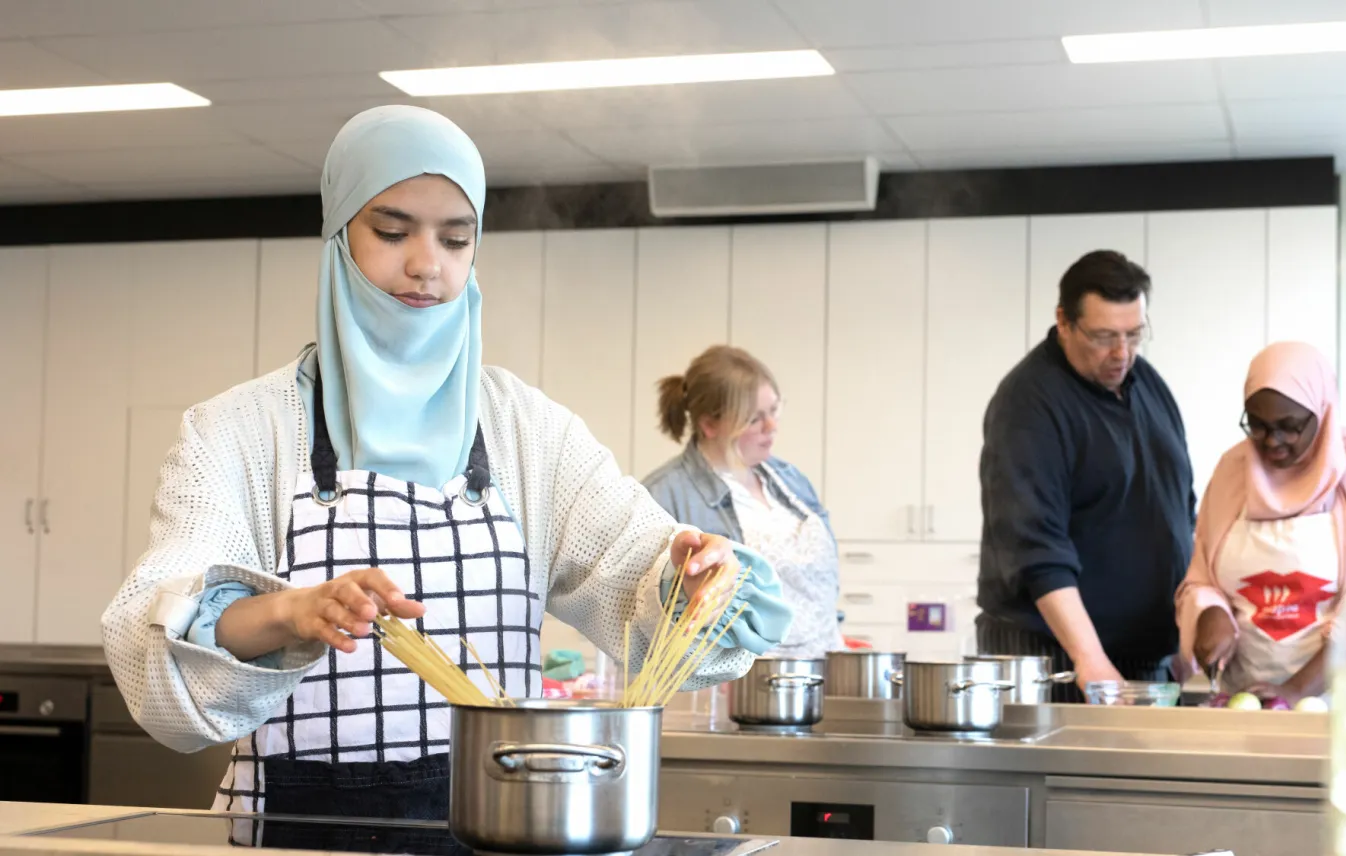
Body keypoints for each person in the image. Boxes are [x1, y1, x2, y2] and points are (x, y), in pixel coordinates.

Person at [99, 106, 791, 819]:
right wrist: (291, 613)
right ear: (338, 235)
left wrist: (686, 575)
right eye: (392, 232)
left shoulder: (527, 429)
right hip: (297, 829)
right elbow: (157, 640)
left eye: (457, 240)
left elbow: (632, 563)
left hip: (496, 824)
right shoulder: (239, 432)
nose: (427, 265)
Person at [977, 250, 1195, 702]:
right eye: (1103, 336)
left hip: (1143, 657)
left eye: (1134, 334)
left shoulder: (1147, 383)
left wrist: (1186, 629)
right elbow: (1036, 550)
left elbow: (1180, 508)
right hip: (1057, 659)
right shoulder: (1029, 404)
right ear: (1064, 321)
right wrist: (1089, 657)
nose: (1122, 353)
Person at [1175, 342, 1346, 702]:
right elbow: (1200, 580)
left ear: (1323, 411)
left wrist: (1295, 691)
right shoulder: (1232, 470)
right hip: (1244, 703)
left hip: (1342, 704)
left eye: (1290, 426)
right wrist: (1210, 611)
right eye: (1257, 425)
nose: (1273, 441)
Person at [643, 346, 844, 660]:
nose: (771, 427)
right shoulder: (663, 495)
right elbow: (649, 613)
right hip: (742, 686)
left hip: (823, 671)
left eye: (774, 411)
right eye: (754, 419)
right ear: (710, 424)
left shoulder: (791, 480)